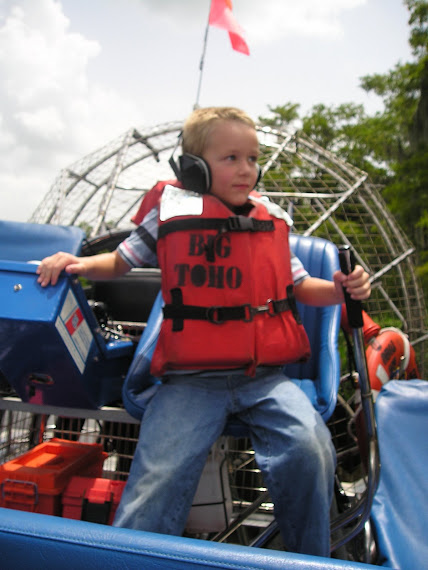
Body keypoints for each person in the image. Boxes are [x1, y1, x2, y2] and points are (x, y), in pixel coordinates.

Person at [37, 107, 371, 556]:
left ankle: (310, 559)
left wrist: (341, 289)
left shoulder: (271, 221)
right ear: (193, 166)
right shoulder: (170, 212)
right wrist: (74, 263)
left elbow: (302, 288)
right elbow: (120, 260)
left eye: (252, 158)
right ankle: (128, 561)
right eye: (230, 157)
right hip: (190, 383)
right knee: (156, 480)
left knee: (311, 448)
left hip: (265, 380)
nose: (246, 169)